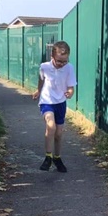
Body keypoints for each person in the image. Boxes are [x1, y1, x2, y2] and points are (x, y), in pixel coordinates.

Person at [32, 41, 77, 173]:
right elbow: (41, 80)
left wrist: (70, 93)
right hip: (47, 101)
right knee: (51, 126)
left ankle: (57, 158)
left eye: (65, 61)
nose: (62, 64)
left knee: (58, 133)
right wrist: (38, 91)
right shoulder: (44, 67)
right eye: (59, 61)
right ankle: (48, 157)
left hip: (60, 103)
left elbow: (71, 87)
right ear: (52, 57)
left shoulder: (69, 68)